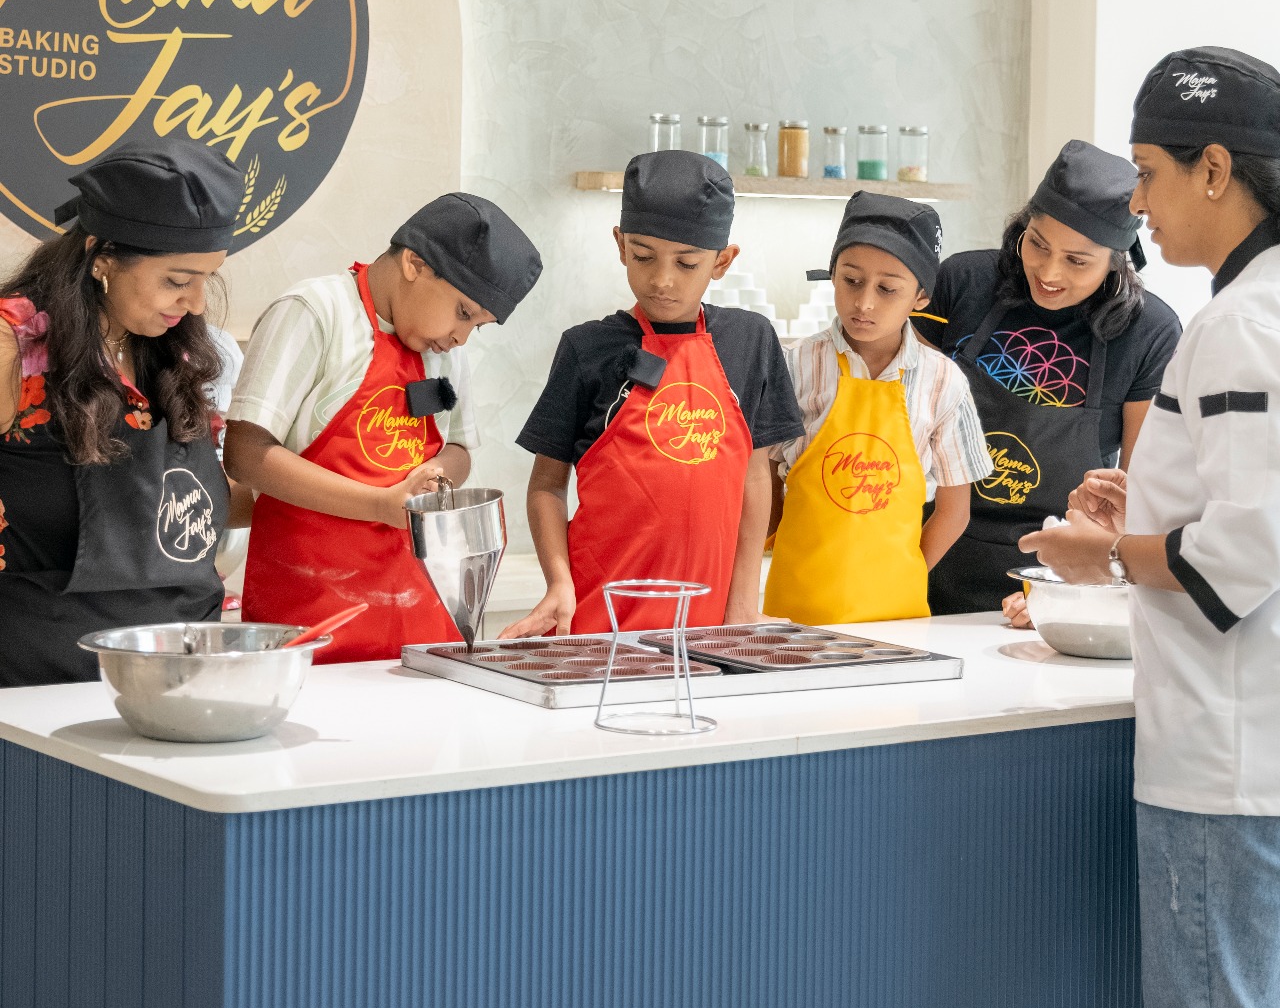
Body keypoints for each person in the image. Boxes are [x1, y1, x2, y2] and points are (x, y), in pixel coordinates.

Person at [1024, 46, 1280, 1008]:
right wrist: (1154, 512)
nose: (1135, 202)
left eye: (1147, 172)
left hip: (1223, 768)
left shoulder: (1237, 322)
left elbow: (1244, 554)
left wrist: (1101, 557)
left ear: (1213, 170)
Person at [225, 194, 542, 662]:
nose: (462, 337)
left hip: (423, 625)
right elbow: (246, 453)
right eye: (463, 312)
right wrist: (379, 504)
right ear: (415, 263)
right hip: (308, 622)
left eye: (479, 325)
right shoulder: (315, 312)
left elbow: (458, 448)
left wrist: (436, 477)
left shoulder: (445, 350)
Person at [506, 149, 802, 636]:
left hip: (708, 630)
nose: (662, 280)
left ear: (723, 261)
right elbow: (546, 486)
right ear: (620, 245)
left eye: (687, 263)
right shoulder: (587, 348)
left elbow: (755, 479)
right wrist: (558, 584)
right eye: (643, 256)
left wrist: (744, 604)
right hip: (598, 621)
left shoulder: (751, 342)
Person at [0, 142, 246, 688]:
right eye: (177, 281)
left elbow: (172, 502)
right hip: (41, 680)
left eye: (209, 278)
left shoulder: (170, 347)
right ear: (102, 258)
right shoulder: (15, 345)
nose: (197, 304)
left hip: (183, 671)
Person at [912, 140, 1180, 615]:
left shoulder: (1149, 331)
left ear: (1117, 259)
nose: (1049, 272)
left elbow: (1138, 495)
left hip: (1055, 572)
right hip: (924, 552)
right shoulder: (963, 282)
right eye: (1037, 243)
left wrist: (1066, 589)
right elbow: (903, 423)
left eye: (1078, 260)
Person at [766, 195, 992, 623]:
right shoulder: (794, 366)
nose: (864, 303)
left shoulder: (942, 382)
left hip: (897, 618)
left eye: (888, 289)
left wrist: (905, 574)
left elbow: (955, 509)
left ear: (921, 296)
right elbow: (765, 478)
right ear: (832, 275)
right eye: (851, 280)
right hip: (792, 612)